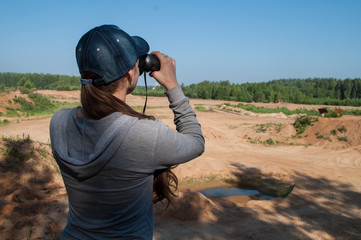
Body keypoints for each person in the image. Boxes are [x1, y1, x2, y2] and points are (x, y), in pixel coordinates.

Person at [50, 24, 204, 239]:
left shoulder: (59, 122)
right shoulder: (143, 133)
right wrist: (172, 85)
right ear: (132, 73)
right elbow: (196, 142)